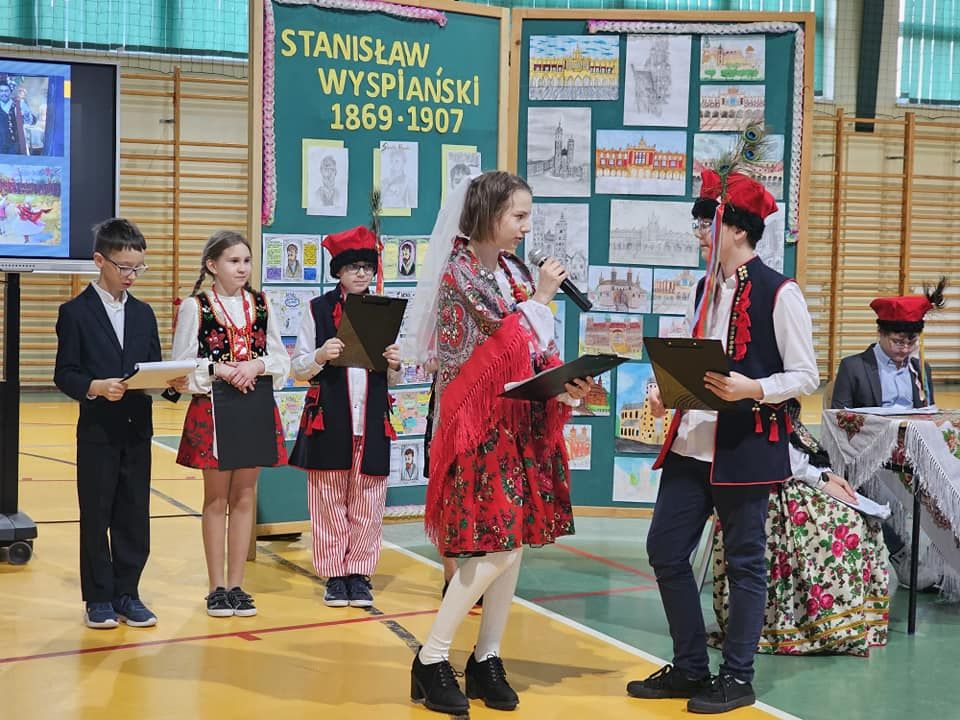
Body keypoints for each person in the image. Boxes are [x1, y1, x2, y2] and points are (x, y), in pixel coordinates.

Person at [626, 168, 818, 714]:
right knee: (665, 550)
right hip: (691, 445)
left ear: (736, 228)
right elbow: (700, 364)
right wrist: (668, 394)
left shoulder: (781, 292)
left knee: (745, 564)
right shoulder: (703, 288)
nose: (699, 234)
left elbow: (806, 375)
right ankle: (690, 666)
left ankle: (737, 677)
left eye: (706, 223)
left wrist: (753, 387)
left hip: (744, 448)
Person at [403, 171, 592, 715]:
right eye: (519, 216)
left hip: (518, 425)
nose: (526, 227)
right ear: (487, 215)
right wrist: (543, 298)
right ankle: (432, 657)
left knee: (513, 543)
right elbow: (506, 339)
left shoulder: (513, 272)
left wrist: (564, 380)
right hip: (478, 429)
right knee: (496, 545)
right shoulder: (460, 273)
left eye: (528, 215)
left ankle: (486, 658)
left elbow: (533, 348)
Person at [54, 218, 183, 629]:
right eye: (124, 267)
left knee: (134, 514)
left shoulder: (144, 313)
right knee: (96, 514)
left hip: (137, 429)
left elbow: (152, 370)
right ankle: (98, 597)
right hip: (97, 432)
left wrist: (173, 383)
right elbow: (65, 373)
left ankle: (128, 593)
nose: (131, 275)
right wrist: (94, 386)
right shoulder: (74, 312)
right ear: (100, 261)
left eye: (138, 268)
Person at [710, 399, 890, 656]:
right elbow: (775, 450)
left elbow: (797, 439)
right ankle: (804, 623)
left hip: (795, 475)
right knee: (842, 523)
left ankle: (847, 620)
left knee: (859, 516)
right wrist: (820, 480)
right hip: (763, 481)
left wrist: (825, 474)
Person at [173, 230, 290, 618]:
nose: (242, 268)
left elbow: (280, 358)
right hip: (214, 409)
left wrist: (257, 365)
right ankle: (216, 587)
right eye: (233, 261)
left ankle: (237, 585)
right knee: (216, 498)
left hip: (255, 407)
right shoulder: (196, 307)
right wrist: (219, 369)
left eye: (246, 261)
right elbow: (182, 365)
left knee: (244, 496)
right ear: (212, 265)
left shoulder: (262, 304)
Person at [288, 225, 401, 609]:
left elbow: (394, 377)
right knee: (328, 499)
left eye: (367, 267)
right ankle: (335, 574)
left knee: (369, 499)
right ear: (338, 270)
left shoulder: (384, 311)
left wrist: (396, 364)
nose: (361, 274)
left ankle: (360, 573)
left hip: (371, 421)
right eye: (353, 267)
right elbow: (299, 368)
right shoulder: (318, 310)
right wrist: (321, 355)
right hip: (330, 419)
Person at [831, 283, 947, 590]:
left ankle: (945, 561)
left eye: (911, 342)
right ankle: (904, 557)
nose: (904, 349)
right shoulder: (854, 367)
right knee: (885, 492)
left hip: (914, 455)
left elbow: (928, 416)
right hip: (870, 458)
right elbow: (837, 420)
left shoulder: (920, 369)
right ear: (880, 333)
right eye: (897, 342)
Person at [0, 81, 27, 155]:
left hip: (14, 147)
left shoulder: (18, 105)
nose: (4, 93)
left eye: (6, 91)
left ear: (10, 92)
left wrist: (27, 115)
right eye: (1, 91)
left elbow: (32, 121)